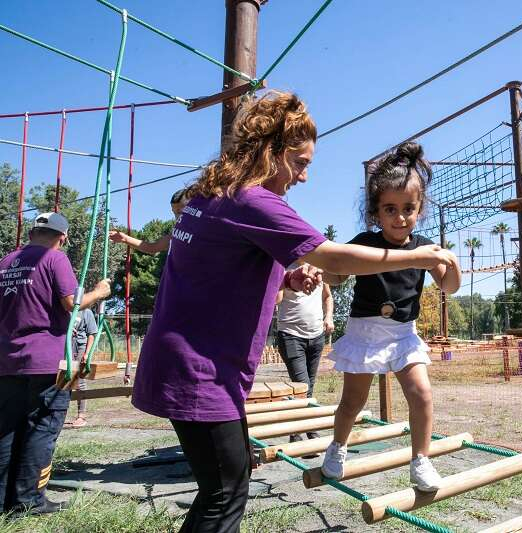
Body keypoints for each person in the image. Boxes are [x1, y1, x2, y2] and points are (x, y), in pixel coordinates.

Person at [130, 91, 458, 533]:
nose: (304, 176)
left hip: (189, 360)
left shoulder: (213, 195)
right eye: (300, 162)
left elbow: (215, 269)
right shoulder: (254, 200)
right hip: (199, 369)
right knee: (224, 493)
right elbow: (335, 259)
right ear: (271, 153)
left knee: (228, 479)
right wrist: (418, 257)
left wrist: (284, 280)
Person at [321, 142, 461, 492]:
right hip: (365, 331)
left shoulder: (425, 247)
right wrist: (322, 272)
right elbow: (337, 275)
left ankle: (421, 460)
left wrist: (453, 263)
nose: (400, 217)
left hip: (403, 334)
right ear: (376, 212)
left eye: (408, 209)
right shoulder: (364, 242)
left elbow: (449, 286)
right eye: (390, 209)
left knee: (422, 394)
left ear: (419, 209)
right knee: (353, 401)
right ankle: (337, 447)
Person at [0, 212, 111, 515]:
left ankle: (3, 498)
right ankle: (29, 501)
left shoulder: (7, 262)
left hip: (7, 362)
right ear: (62, 237)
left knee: (7, 430)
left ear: (33, 231)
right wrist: (100, 292)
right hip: (48, 363)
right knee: (42, 429)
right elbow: (71, 303)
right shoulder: (54, 259)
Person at [275, 262, 334, 446]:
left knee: (308, 386)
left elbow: (328, 296)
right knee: (303, 385)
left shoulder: (318, 268)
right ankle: (308, 432)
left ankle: (298, 432)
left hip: (316, 336)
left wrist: (329, 317)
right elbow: (275, 300)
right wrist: (285, 279)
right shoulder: (283, 266)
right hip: (290, 336)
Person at [108, 188, 188, 254]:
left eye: (180, 212)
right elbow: (153, 248)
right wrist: (124, 238)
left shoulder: (199, 230)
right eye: (174, 213)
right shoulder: (178, 233)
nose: (177, 217)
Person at [64, 308, 98, 428]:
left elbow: (92, 334)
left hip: (80, 348)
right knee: (64, 381)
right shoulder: (63, 308)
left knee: (79, 381)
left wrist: (87, 353)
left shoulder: (86, 312)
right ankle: (61, 413)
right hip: (65, 347)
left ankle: (81, 416)